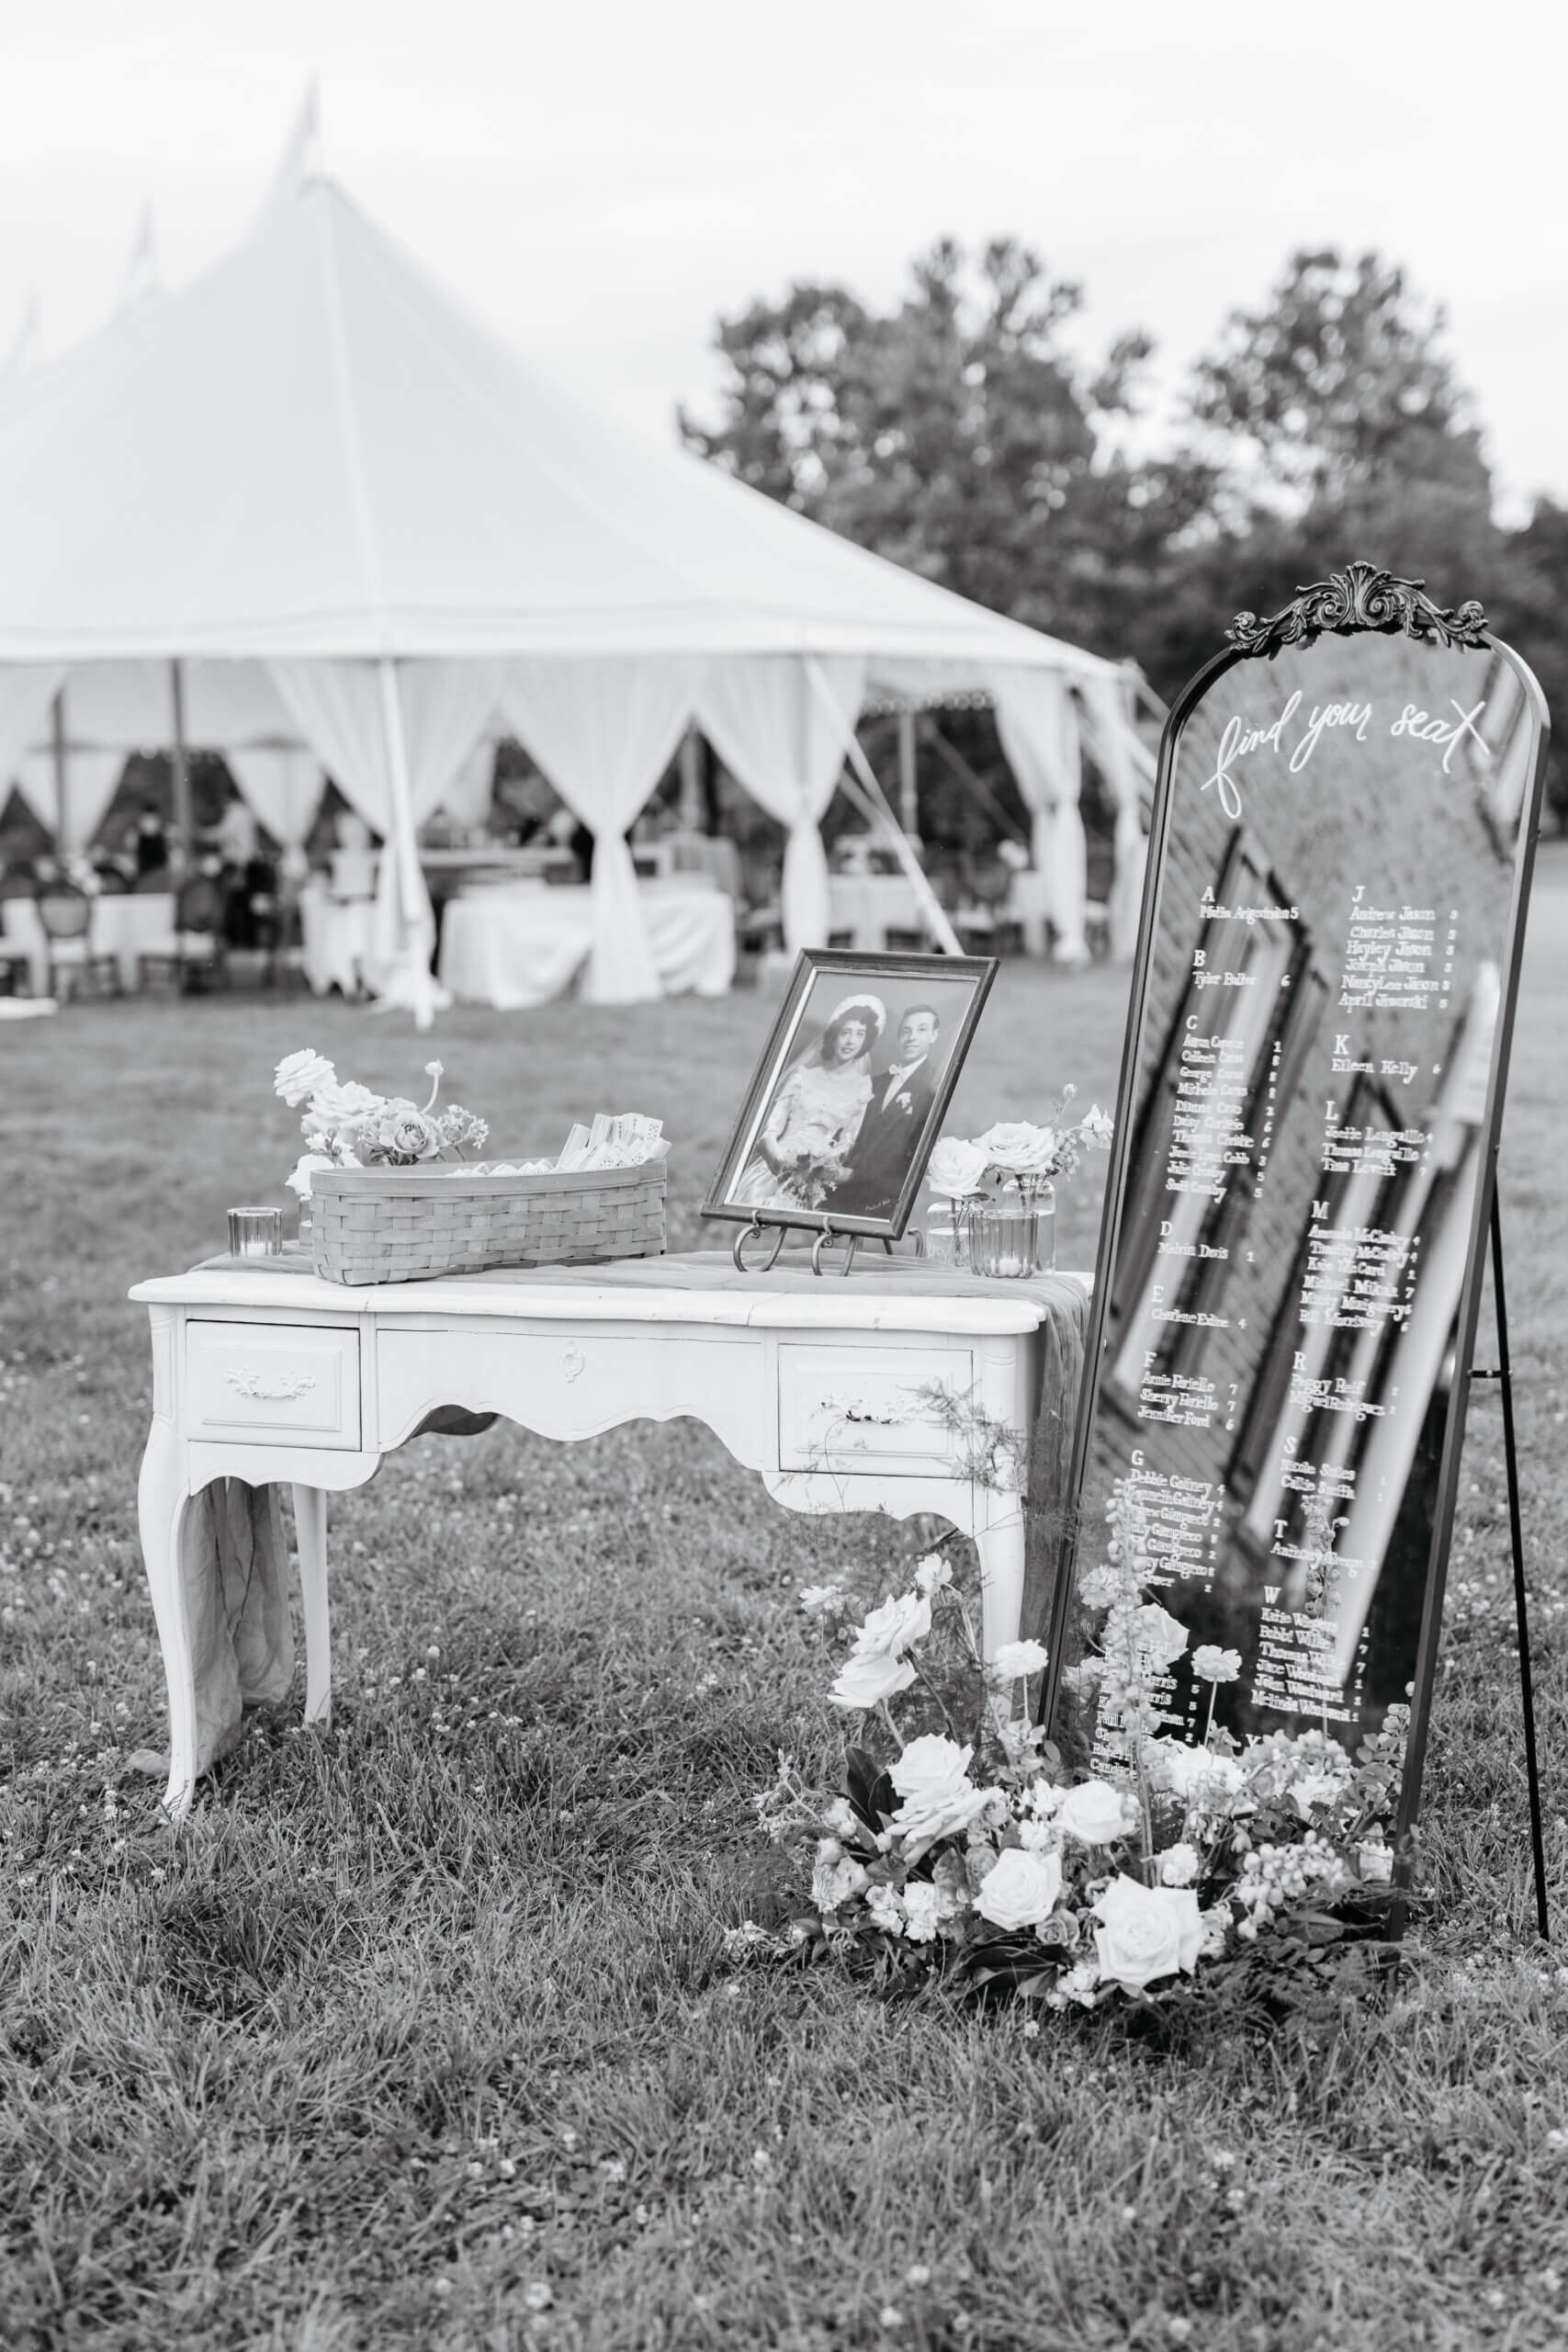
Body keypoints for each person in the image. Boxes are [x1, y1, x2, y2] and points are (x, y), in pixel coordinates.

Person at [730, 994, 886, 1214]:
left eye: (859, 1034)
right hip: (773, 1169)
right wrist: (782, 1164)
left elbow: (847, 1140)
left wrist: (821, 1164)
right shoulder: (801, 1078)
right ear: (834, 1036)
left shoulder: (861, 1088)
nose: (851, 1041)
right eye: (846, 1033)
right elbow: (770, 1132)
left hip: (817, 1177)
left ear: (866, 1041)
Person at [833, 1002, 945, 1219]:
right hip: (844, 1189)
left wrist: (854, 1175)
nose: (911, 1037)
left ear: (934, 1035)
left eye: (921, 1030)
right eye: (906, 1031)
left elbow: (904, 1155)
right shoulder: (876, 1083)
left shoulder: (932, 1088)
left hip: (882, 1195)